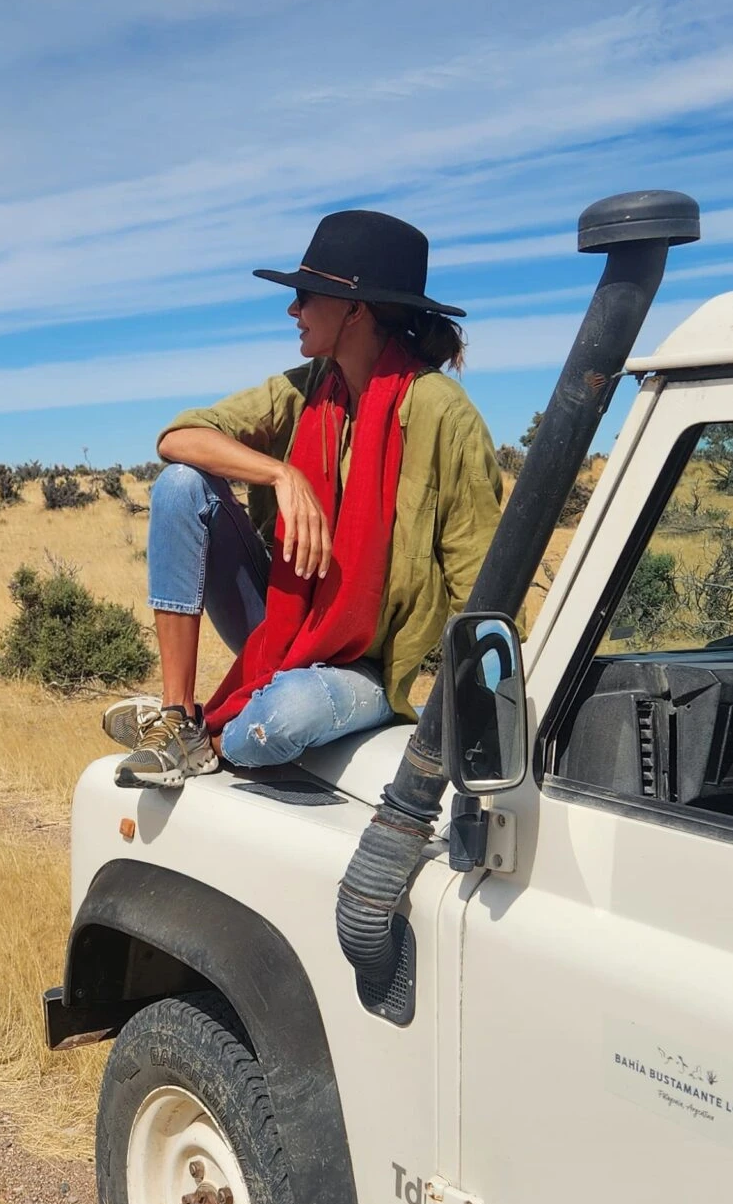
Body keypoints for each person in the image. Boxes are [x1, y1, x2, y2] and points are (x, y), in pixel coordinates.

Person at [105, 208, 504, 788]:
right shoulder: (305, 390)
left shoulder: (441, 412)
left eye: (305, 296)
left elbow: (481, 580)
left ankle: (211, 732)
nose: (293, 310)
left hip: (367, 662)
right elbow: (178, 438)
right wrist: (282, 476)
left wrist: (490, 726)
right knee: (181, 485)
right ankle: (176, 718)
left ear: (354, 309)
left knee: (276, 722)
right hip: (284, 623)